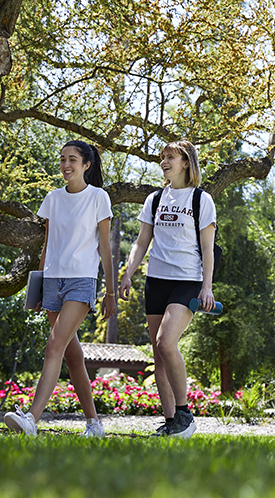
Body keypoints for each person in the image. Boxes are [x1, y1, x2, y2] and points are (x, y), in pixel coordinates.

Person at [4, 140, 116, 438]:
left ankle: (31, 418)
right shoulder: (53, 198)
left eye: (73, 160)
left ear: (86, 165)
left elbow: (105, 247)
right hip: (53, 281)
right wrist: (39, 286)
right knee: (71, 354)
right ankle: (94, 424)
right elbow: (48, 243)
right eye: (63, 159)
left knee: (54, 345)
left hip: (81, 281)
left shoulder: (98, 197)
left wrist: (111, 291)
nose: (66, 165)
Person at [119, 140, 217, 438]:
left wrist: (207, 287)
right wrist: (128, 274)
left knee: (165, 342)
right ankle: (173, 421)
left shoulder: (202, 200)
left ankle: (185, 413)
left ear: (186, 162)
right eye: (162, 157)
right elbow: (141, 241)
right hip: (156, 280)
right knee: (158, 353)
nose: (164, 161)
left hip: (187, 280)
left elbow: (208, 249)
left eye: (170, 157)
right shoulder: (155, 199)